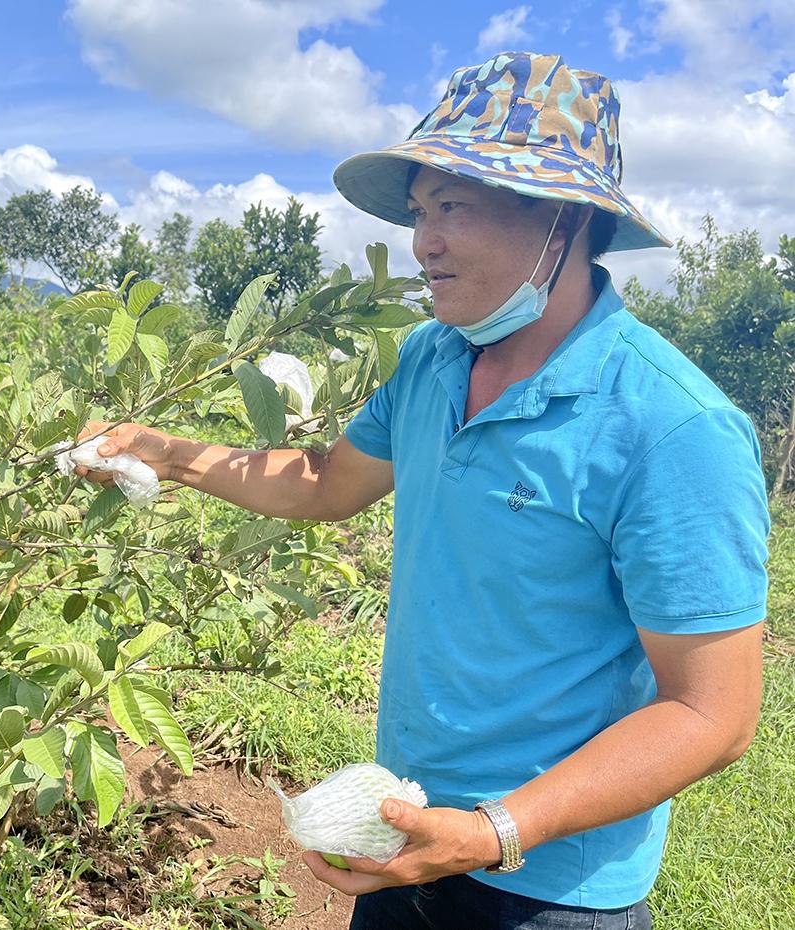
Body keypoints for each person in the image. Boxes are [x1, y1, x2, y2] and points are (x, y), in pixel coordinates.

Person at [71, 51, 770, 929]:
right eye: (419, 211)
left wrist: (493, 831)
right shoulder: (435, 359)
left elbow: (712, 714)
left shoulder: (672, 429)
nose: (423, 241)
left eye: (454, 206)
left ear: (563, 219)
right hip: (402, 826)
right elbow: (326, 484)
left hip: (549, 887)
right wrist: (158, 450)